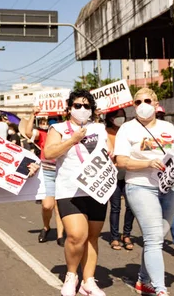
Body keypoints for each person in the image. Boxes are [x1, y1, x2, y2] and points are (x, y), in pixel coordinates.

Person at [114, 88, 174, 296]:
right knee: (153, 239)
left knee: (156, 236)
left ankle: (143, 280)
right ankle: (160, 289)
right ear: (133, 106)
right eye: (138, 102)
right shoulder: (127, 129)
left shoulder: (168, 127)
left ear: (156, 104)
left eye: (147, 100)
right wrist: (148, 162)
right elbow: (121, 161)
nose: (143, 105)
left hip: (168, 188)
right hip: (139, 186)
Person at [44, 90, 110, 296]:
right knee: (75, 236)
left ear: (92, 110)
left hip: (97, 189)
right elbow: (49, 153)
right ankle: (71, 276)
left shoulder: (99, 128)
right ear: (69, 108)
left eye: (86, 106)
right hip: (70, 190)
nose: (82, 110)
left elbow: (108, 152)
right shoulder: (59, 128)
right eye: (77, 106)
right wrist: (72, 139)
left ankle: (88, 281)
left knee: (92, 237)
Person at [20, 107, 64, 246]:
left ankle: (60, 235)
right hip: (47, 172)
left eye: (56, 119)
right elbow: (27, 132)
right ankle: (46, 227)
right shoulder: (43, 134)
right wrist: (33, 114)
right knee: (47, 205)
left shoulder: (66, 134)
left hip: (62, 172)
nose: (53, 122)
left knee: (59, 206)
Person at [105, 109, 135, 251]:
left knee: (131, 206)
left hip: (129, 173)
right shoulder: (105, 132)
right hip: (113, 175)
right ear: (110, 119)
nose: (121, 119)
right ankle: (115, 237)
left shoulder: (128, 130)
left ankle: (127, 234)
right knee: (115, 207)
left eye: (122, 116)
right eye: (117, 117)